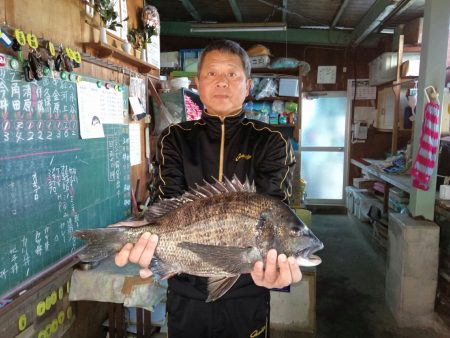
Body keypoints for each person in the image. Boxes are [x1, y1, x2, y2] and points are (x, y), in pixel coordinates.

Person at [115, 39, 301, 338]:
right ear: (198, 84)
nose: (222, 83)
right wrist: (150, 240)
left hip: (247, 290)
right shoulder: (174, 139)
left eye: (232, 74)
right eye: (212, 74)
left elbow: (274, 214)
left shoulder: (271, 142)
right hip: (187, 290)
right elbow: (168, 205)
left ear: (248, 86)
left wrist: (277, 268)